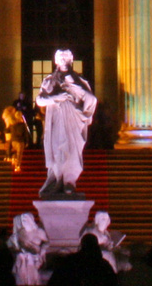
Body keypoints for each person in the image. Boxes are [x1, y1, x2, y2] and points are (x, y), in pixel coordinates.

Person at [36, 48, 97, 195]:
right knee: (57, 148)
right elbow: (39, 100)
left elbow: (91, 99)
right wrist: (55, 98)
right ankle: (58, 180)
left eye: (66, 58)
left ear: (70, 61)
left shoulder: (79, 81)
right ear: (56, 61)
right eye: (60, 58)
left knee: (71, 150)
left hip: (73, 120)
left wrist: (72, 85)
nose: (63, 61)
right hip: (57, 119)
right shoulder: (50, 80)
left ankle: (69, 181)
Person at [2, 96, 29, 172]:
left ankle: (9, 156)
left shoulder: (7, 118)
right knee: (16, 150)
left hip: (10, 133)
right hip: (15, 136)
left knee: (10, 144)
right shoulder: (13, 120)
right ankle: (14, 162)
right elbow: (23, 132)